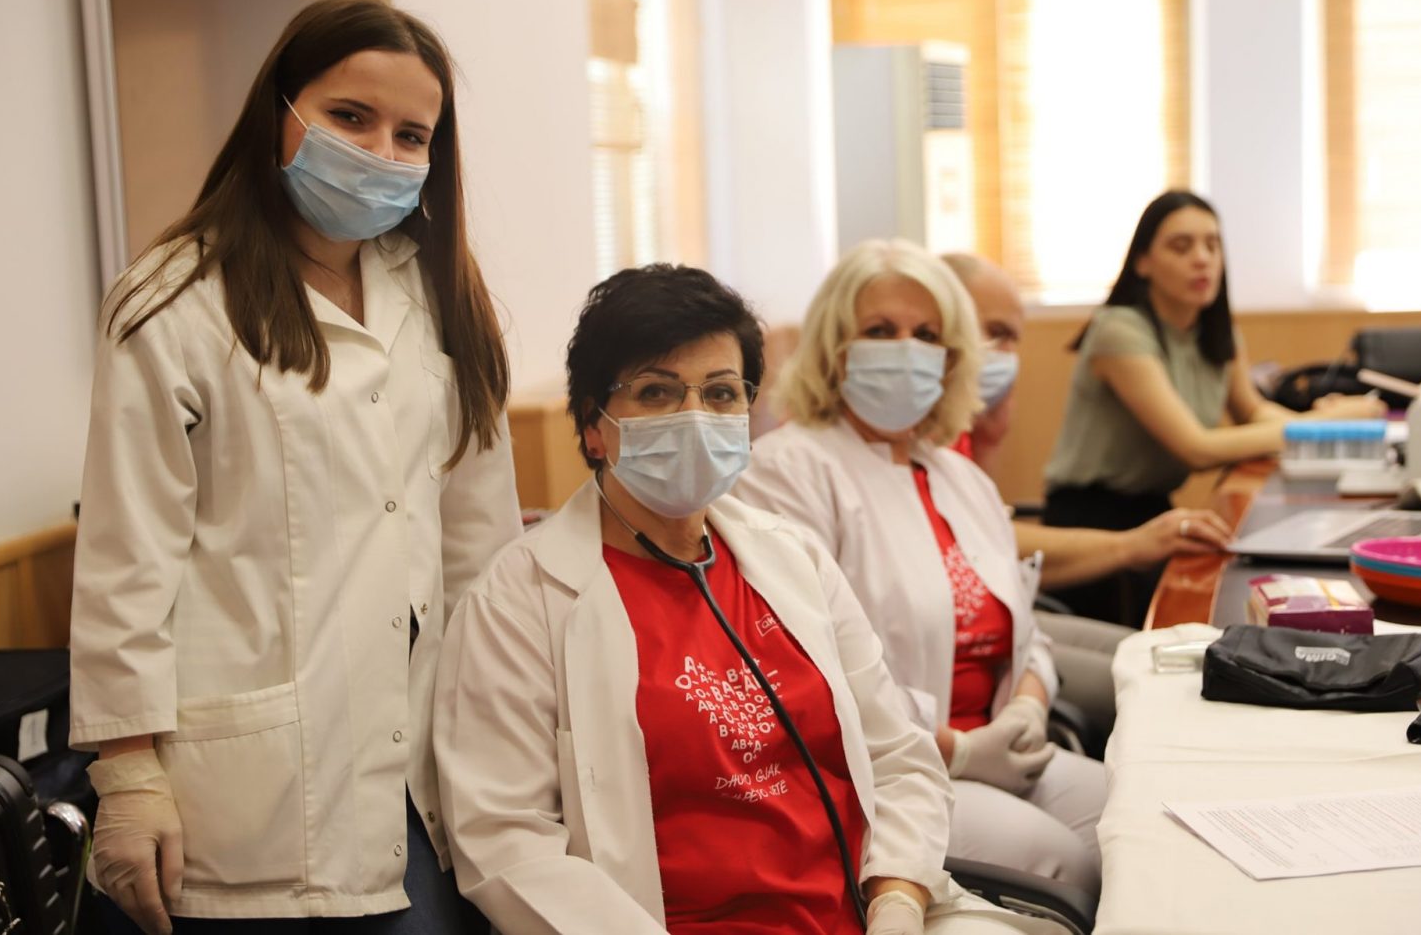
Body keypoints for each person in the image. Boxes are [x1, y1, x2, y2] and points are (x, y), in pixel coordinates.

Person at [68, 0, 522, 932]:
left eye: (411, 135)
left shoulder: (440, 296)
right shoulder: (174, 299)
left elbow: (479, 546)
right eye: (350, 117)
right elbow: (127, 560)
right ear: (279, 111)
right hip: (248, 792)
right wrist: (127, 773)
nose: (380, 151)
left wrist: (510, 735)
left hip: (424, 771)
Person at [432, 265, 1057, 935]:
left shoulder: (792, 558)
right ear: (593, 425)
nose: (694, 416)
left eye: (721, 393)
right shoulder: (519, 600)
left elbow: (898, 757)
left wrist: (898, 901)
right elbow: (508, 842)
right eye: (656, 392)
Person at [733, 240, 1107, 893]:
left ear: (951, 358)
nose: (905, 348)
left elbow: (1029, 635)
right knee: (1063, 863)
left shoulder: (961, 478)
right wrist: (956, 750)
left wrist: (1026, 708)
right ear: (834, 349)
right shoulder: (786, 472)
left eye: (927, 335)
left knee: (1137, 818)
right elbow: (803, 672)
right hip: (886, 774)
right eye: (880, 331)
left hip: (1002, 751)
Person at [1041, 190, 1382, 623]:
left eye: (1212, 245)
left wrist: (1317, 424)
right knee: (1210, 609)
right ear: (1142, 262)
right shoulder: (1118, 330)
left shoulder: (1216, 332)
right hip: (1092, 523)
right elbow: (1196, 448)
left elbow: (1253, 412)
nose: (1202, 259)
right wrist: (1323, 423)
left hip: (1153, 511)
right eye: (1181, 246)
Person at [941, 251, 1232, 731]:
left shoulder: (953, 428)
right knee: (1165, 691)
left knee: (1176, 659)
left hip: (1009, 614)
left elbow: (982, 523)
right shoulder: (908, 443)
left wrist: (988, 426)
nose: (998, 352)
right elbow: (981, 542)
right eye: (986, 332)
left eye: (1009, 338)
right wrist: (1133, 544)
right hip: (972, 638)